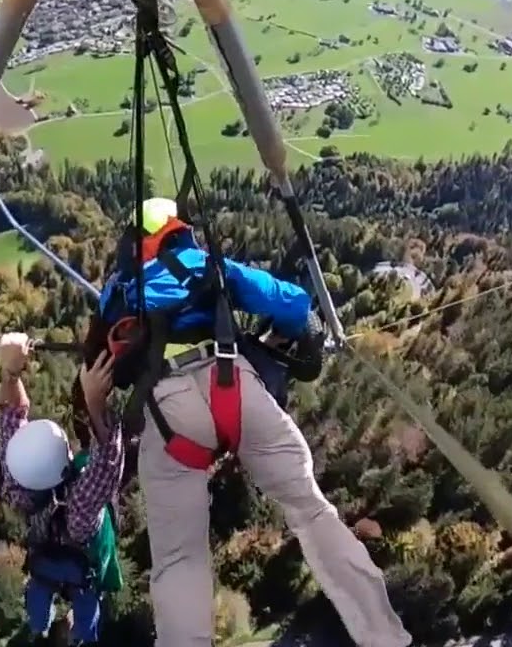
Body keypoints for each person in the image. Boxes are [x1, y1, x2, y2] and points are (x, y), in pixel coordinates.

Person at [94, 197, 412, 647]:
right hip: (234, 385)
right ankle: (385, 638)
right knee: (312, 510)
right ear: (177, 230)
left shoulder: (119, 291)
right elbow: (295, 305)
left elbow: (98, 362)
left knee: (179, 558)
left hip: (168, 412)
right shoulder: (209, 266)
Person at [0, 333, 125, 645]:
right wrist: (95, 399)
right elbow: (108, 459)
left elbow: (11, 415)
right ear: (67, 460)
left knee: (37, 606)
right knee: (86, 618)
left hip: (45, 566)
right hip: (83, 577)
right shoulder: (80, 509)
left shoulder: (18, 485)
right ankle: (81, 638)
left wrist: (10, 373)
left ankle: (40, 627)